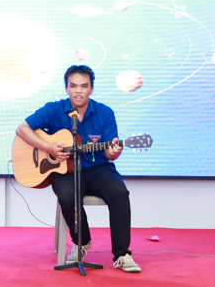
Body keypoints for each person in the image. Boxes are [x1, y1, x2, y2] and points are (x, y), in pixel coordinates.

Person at [15, 65, 141, 273]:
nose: (78, 91)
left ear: (91, 88)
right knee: (66, 195)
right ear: (66, 88)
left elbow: (110, 154)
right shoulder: (53, 109)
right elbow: (22, 129)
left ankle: (122, 254)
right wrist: (47, 147)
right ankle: (82, 242)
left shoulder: (105, 113)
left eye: (84, 86)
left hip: (99, 169)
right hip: (67, 171)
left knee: (119, 193)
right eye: (73, 86)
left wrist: (115, 151)